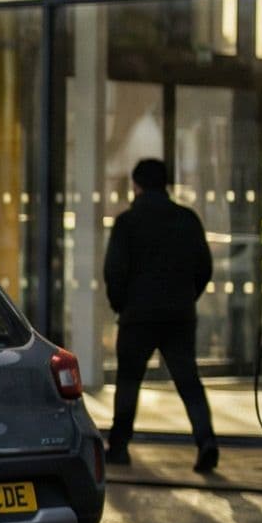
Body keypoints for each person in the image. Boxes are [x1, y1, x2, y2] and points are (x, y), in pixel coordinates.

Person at [101, 157, 219, 473]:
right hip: (178, 315)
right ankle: (206, 441)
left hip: (137, 315)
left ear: (136, 185)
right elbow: (204, 267)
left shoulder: (127, 223)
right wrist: (186, 298)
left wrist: (121, 305)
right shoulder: (187, 219)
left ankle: (119, 446)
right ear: (166, 184)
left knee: (128, 381)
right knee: (188, 381)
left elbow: (114, 270)